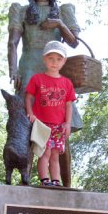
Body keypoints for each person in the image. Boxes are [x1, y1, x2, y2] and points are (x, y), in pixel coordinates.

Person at [7, 0, 82, 187]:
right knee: (28, 127)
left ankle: (63, 183)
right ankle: (26, 178)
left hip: (56, 71)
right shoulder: (20, 10)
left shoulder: (63, 11)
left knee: (60, 129)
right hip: (30, 66)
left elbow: (74, 42)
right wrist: (13, 70)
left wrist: (59, 23)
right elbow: (12, 43)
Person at [25, 40, 76, 186]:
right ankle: (44, 180)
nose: (55, 62)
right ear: (44, 59)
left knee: (55, 154)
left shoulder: (67, 83)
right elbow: (28, 97)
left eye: (59, 59)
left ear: (64, 61)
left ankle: (55, 181)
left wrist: (67, 123)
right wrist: (30, 113)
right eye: (51, 58)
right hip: (42, 125)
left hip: (59, 126)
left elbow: (68, 105)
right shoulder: (37, 79)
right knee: (45, 152)